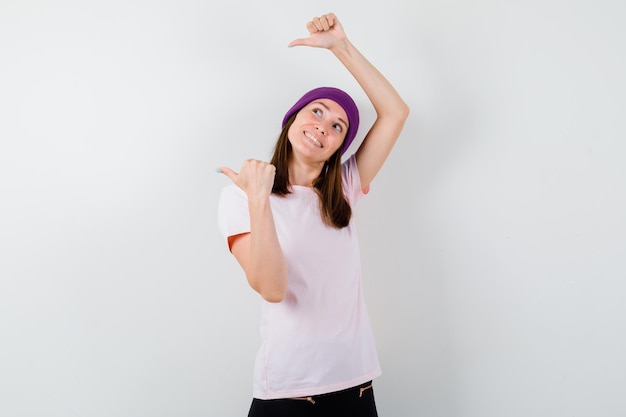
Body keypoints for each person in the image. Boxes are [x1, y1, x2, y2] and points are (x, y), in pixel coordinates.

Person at [217, 13, 409, 417]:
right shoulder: (240, 197)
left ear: (339, 146)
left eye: (339, 126)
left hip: (356, 390)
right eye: (318, 112)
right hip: (289, 397)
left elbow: (395, 113)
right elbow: (271, 288)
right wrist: (259, 198)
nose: (324, 127)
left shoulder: (344, 186)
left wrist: (341, 47)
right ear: (293, 118)